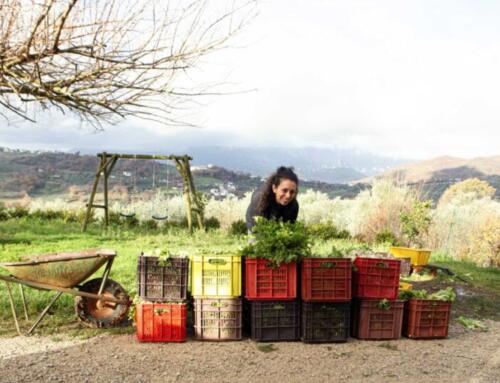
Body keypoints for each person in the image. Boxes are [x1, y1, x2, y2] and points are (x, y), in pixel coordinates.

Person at [245, 166, 299, 231]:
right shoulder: (259, 198)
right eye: (284, 190)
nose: (288, 196)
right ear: (274, 188)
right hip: (255, 224)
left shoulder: (294, 205)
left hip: (276, 220)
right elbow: (259, 230)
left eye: (292, 192)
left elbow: (289, 229)